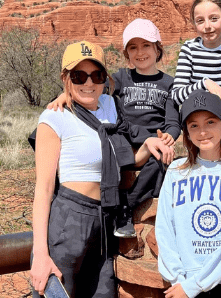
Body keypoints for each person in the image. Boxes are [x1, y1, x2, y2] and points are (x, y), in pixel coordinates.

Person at [30, 40, 173, 298]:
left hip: (106, 219)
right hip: (71, 219)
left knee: (103, 291)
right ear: (65, 78)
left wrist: (149, 143)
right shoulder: (54, 118)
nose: (88, 83)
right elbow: (44, 188)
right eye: (78, 76)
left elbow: (126, 158)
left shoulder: (109, 107)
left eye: (96, 75)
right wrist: (40, 254)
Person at [47, 18, 181, 238]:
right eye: (133, 47)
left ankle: (126, 205)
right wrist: (66, 93)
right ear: (127, 53)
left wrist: (168, 137)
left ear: (158, 48)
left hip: (154, 140)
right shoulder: (120, 78)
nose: (140, 52)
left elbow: (173, 121)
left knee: (161, 160)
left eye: (146, 45)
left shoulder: (169, 83)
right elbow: (89, 89)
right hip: (124, 138)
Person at [156, 89, 221, 298]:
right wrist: (178, 279)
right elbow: (165, 228)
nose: (203, 132)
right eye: (194, 125)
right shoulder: (176, 172)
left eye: (210, 122)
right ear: (186, 132)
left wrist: (195, 285)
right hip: (183, 282)